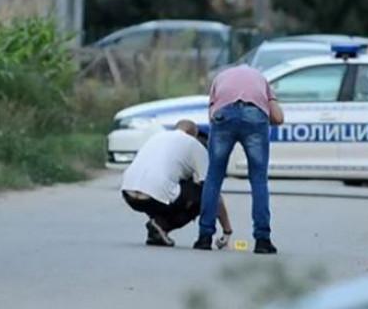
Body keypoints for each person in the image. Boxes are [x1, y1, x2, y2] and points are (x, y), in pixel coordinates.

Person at [196, 65, 284, 254]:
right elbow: (278, 117)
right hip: (255, 115)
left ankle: (204, 237)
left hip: (223, 114)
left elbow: (212, 116)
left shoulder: (219, 78)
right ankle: (262, 240)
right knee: (259, 180)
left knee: (213, 177)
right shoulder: (261, 79)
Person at [121, 120, 232, 248]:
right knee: (201, 194)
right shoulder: (193, 144)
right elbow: (212, 191)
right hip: (155, 193)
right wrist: (227, 230)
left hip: (128, 191)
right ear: (194, 135)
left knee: (171, 189)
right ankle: (161, 226)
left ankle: (157, 230)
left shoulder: (156, 137)